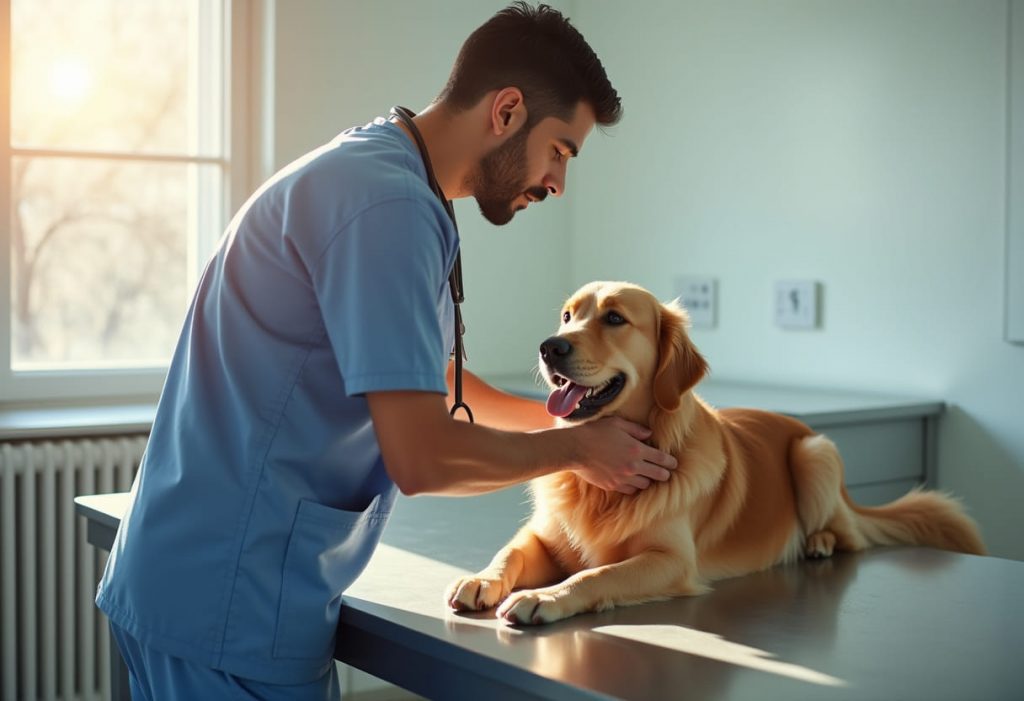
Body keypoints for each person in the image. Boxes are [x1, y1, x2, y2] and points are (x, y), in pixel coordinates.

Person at [96, 3, 677, 699]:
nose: (558, 182)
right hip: (230, 603)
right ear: (508, 111)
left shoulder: (383, 171)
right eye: (561, 149)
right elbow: (422, 455)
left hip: (201, 581)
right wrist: (580, 452)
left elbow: (427, 376)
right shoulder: (388, 209)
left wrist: (563, 420)